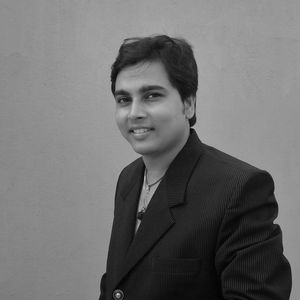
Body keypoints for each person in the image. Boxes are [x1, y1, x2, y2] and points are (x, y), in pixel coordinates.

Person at [99, 35, 292, 300]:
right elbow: (118, 285)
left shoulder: (239, 188)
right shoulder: (129, 179)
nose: (134, 113)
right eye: (123, 100)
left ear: (188, 103)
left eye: (151, 95)